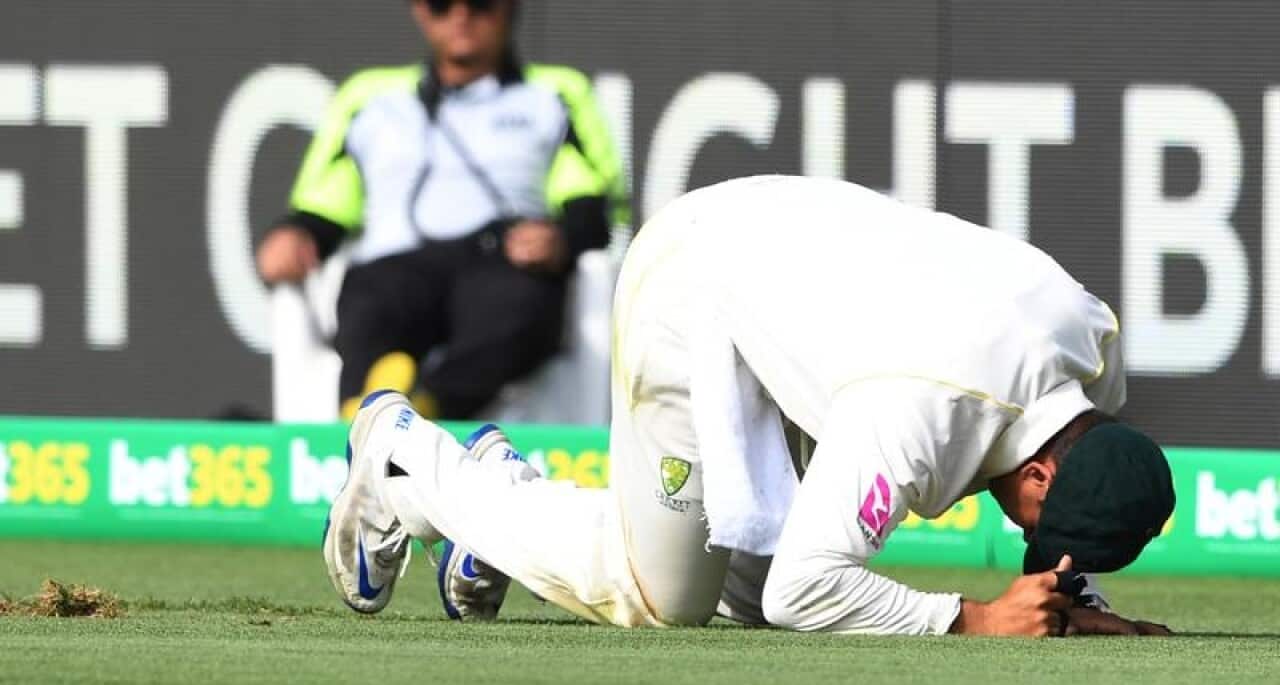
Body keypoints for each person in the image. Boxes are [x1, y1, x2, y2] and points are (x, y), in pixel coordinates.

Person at [323, 175, 1176, 637]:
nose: (1043, 542)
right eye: (1046, 524)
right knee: (664, 600)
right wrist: (976, 619)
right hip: (697, 282)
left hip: (806, 269)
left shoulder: (1093, 345)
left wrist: (1077, 603)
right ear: (1038, 471)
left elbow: (1069, 482)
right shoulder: (919, 412)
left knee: (744, 575)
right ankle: (407, 457)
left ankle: (501, 507)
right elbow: (804, 595)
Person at [257, 0, 626, 420]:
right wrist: (295, 236)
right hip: (397, 266)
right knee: (369, 305)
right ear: (418, 10)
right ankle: (364, 416)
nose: (461, 16)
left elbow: (593, 209)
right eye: (441, 3)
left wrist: (558, 241)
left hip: (500, 261)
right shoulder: (369, 99)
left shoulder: (554, 95)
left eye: (481, 3)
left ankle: (422, 405)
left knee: (522, 309)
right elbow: (324, 205)